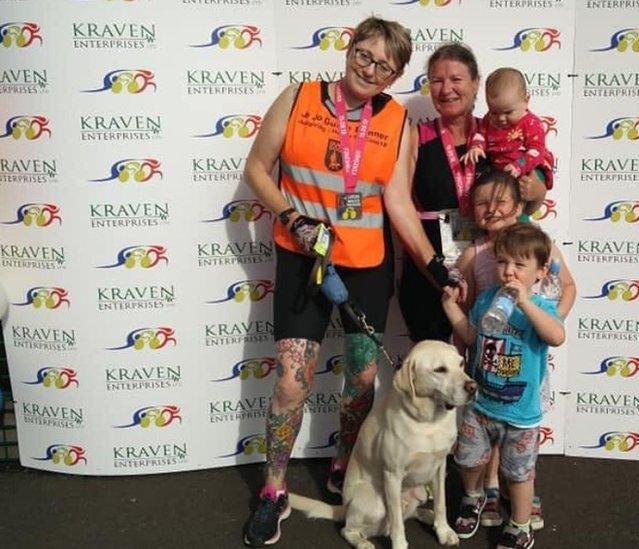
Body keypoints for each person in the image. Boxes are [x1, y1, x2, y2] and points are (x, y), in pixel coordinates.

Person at [241, 17, 457, 547]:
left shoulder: (399, 121)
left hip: (366, 268)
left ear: (396, 74)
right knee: (292, 381)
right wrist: (291, 216)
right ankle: (274, 491)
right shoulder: (299, 98)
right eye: (365, 55)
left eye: (385, 65)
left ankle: (344, 465)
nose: (370, 69)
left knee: (361, 382)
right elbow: (257, 168)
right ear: (349, 48)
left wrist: (436, 268)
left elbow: (399, 204)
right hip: (303, 258)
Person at [399, 44, 550, 343]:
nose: (446, 89)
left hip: (493, 268)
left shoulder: (500, 133)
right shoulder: (417, 137)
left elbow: (529, 203)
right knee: (435, 369)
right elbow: (399, 204)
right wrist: (435, 270)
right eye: (437, 80)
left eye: (456, 79)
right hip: (430, 272)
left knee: (493, 360)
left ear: (476, 83)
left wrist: (539, 190)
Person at [456, 170, 577, 531]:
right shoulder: (475, 252)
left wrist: (546, 321)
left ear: (518, 205)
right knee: (483, 433)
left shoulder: (539, 244)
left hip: (524, 355)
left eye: (500, 202)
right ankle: (487, 490)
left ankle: (515, 496)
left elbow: (568, 286)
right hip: (488, 357)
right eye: (482, 203)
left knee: (516, 441)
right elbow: (467, 310)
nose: (491, 209)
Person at [442, 223, 566, 549]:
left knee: (519, 474)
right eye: (502, 263)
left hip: (520, 415)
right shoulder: (485, 300)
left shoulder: (542, 308)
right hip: (481, 406)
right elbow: (471, 337)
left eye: (519, 265)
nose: (509, 272)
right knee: (468, 460)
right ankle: (472, 497)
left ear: (539, 272)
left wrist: (525, 303)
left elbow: (557, 336)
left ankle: (521, 526)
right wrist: (450, 308)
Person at [461, 67, 554, 218]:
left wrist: (519, 166)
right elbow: (480, 134)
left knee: (517, 211)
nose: (501, 118)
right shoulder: (489, 119)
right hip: (502, 171)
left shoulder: (531, 123)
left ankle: (520, 236)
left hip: (528, 168)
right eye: (494, 112)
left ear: (526, 101)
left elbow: (537, 151)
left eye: (508, 112)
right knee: (499, 209)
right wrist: (476, 147)